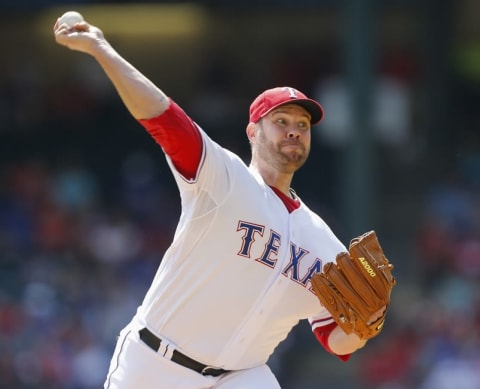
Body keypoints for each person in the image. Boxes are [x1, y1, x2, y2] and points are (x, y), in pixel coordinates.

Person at [53, 14, 384, 389]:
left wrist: (364, 329)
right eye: (282, 120)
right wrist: (102, 50)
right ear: (252, 131)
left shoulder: (325, 243)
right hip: (155, 364)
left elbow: (333, 337)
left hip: (241, 377)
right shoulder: (225, 177)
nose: (294, 129)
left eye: (303, 125)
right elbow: (163, 116)